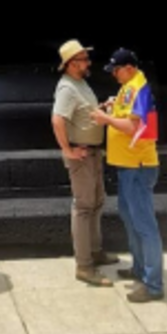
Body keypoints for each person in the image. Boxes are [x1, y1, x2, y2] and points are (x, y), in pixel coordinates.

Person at [90, 49, 163, 301]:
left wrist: (105, 118)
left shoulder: (137, 87)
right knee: (130, 219)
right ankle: (140, 268)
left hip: (137, 166)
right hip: (127, 165)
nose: (114, 75)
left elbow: (133, 126)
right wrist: (113, 108)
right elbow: (127, 114)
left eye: (116, 70)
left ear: (129, 67)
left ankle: (153, 284)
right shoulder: (128, 87)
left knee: (144, 225)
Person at [51, 40, 114, 286]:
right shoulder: (67, 88)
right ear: (70, 64)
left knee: (97, 202)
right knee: (84, 207)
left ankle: (95, 251)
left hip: (93, 153)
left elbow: (83, 113)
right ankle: (84, 265)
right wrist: (68, 150)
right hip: (83, 155)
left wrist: (101, 108)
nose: (88, 63)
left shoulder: (81, 83)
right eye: (83, 59)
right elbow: (57, 120)